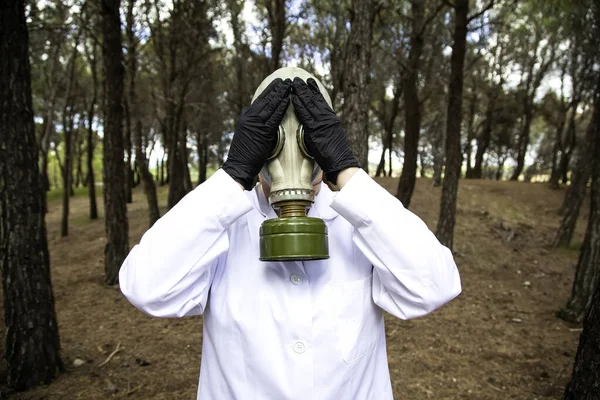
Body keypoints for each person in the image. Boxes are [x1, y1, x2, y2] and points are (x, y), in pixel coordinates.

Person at [119, 75, 462, 400]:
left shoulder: (363, 219)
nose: (291, 156)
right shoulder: (219, 224)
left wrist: (346, 171)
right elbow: (146, 287)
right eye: (275, 138)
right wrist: (233, 175)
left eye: (307, 136)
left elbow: (435, 286)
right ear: (254, 139)